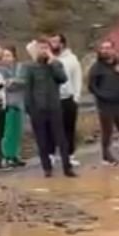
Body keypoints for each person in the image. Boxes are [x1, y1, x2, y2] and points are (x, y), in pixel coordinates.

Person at [24, 37, 75, 179]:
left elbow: (63, 79)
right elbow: (27, 89)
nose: (43, 51)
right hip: (38, 109)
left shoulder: (56, 64)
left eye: (45, 48)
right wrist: (29, 108)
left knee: (61, 139)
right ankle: (47, 168)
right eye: (40, 48)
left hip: (54, 107)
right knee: (42, 140)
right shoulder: (30, 67)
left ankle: (67, 167)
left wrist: (53, 62)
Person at [88, 40, 119, 166]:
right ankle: (106, 156)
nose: (105, 50)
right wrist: (103, 96)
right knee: (107, 131)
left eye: (108, 48)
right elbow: (92, 87)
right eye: (103, 48)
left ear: (113, 50)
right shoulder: (96, 68)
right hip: (105, 104)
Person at [50, 34, 83, 169]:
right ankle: (50, 155)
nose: (52, 44)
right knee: (50, 129)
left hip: (67, 98)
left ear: (62, 44)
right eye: (51, 42)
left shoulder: (71, 59)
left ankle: (69, 155)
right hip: (51, 99)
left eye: (55, 41)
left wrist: (76, 97)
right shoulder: (46, 59)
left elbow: (77, 78)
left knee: (68, 128)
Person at [0, 47, 27, 168]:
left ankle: (15, 155)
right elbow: (4, 85)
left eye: (9, 55)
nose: (7, 58)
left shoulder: (20, 67)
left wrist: (13, 82)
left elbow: (24, 81)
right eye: (4, 56)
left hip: (19, 103)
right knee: (8, 132)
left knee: (18, 131)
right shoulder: (0, 70)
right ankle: (7, 156)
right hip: (8, 104)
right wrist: (13, 82)